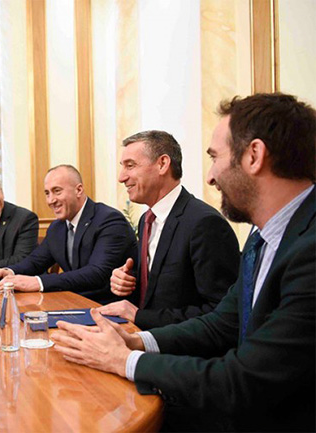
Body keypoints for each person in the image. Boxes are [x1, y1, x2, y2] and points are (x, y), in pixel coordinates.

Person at [51, 93, 315, 431]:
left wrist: (126, 360)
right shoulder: (261, 235)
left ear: (254, 155)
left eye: (215, 157)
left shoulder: (308, 251)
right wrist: (136, 341)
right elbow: (221, 323)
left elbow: (245, 379)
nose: (210, 177)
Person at [98, 130, 240, 329]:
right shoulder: (146, 220)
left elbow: (221, 313)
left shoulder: (204, 223)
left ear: (163, 164)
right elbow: (158, 292)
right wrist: (127, 282)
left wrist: (140, 316)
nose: (122, 177)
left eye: (130, 166)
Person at [0, 165, 137, 303]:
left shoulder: (109, 220)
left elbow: (96, 274)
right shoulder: (57, 227)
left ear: (79, 190)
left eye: (57, 191)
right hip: (73, 303)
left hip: (107, 307)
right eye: (47, 193)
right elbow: (36, 261)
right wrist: (9, 271)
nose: (51, 200)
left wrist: (38, 282)